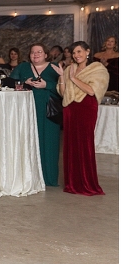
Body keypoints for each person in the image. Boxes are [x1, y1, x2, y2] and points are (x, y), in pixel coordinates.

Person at [54, 41, 109, 196]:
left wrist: (73, 78)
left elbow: (92, 91)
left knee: (84, 144)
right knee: (70, 145)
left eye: (79, 52)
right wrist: (62, 77)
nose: (76, 55)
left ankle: (87, 183)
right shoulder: (69, 68)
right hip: (70, 109)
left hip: (86, 107)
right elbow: (63, 93)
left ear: (87, 52)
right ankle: (72, 183)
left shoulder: (97, 69)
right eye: (74, 53)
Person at [10, 44, 61, 186]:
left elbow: (64, 90)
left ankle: (48, 178)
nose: (36, 54)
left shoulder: (54, 67)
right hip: (26, 110)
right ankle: (28, 177)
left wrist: (47, 85)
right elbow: (8, 82)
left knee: (49, 143)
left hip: (48, 111)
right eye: (33, 52)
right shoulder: (23, 67)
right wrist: (23, 82)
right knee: (27, 142)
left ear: (46, 54)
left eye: (39, 52)